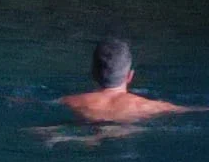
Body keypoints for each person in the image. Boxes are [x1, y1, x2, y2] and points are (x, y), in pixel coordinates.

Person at [60, 37, 194, 124]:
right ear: (130, 76)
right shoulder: (149, 106)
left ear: (93, 74)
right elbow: (193, 110)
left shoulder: (70, 101)